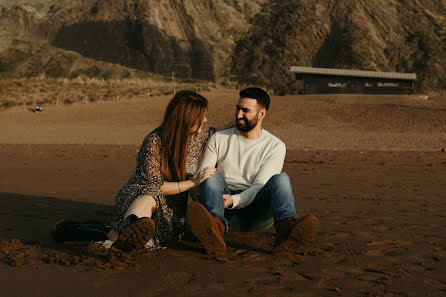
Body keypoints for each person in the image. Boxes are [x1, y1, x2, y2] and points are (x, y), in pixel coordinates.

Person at [52, 90, 233, 252]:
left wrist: (242, 120)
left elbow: (219, 130)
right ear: (186, 119)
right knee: (149, 197)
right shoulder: (154, 142)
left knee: (130, 238)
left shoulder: (197, 137)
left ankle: (112, 233)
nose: (206, 119)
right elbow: (156, 186)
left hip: (173, 207)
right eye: (201, 116)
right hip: (139, 196)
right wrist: (193, 183)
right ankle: (131, 226)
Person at [187, 87, 318, 256]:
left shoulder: (275, 146)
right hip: (220, 209)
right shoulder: (218, 138)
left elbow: (259, 186)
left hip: (255, 214)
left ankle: (286, 231)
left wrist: (233, 200)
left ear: (262, 114)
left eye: (245, 110)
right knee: (210, 175)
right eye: (237, 108)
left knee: (281, 179)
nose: (239, 114)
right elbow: (203, 176)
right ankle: (214, 231)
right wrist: (198, 190)